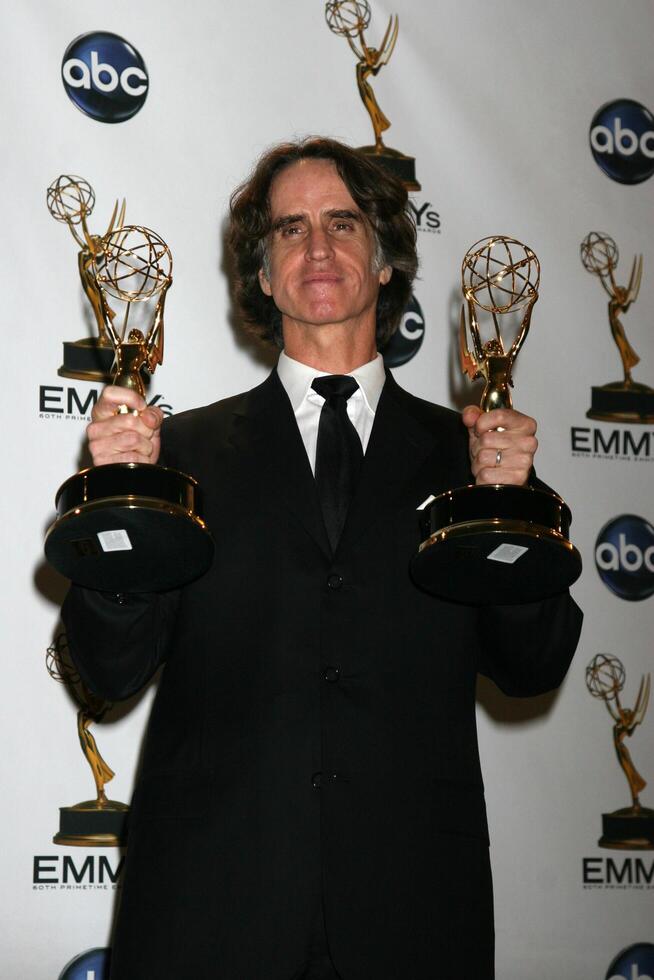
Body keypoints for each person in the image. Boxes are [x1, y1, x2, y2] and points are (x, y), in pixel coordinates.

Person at [62, 137, 583, 980]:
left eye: (342, 222)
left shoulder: (471, 463)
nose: (317, 247)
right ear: (262, 276)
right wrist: (121, 497)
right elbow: (106, 669)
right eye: (289, 229)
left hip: (413, 911)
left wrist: (511, 512)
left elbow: (532, 664)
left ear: (384, 262)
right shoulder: (179, 454)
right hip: (210, 910)